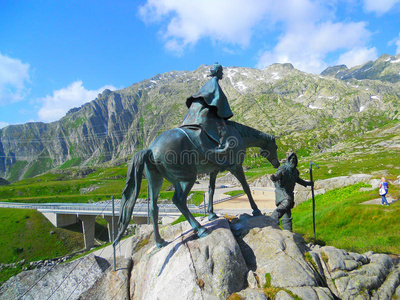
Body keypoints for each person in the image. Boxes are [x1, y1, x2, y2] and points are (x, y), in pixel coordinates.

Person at [181, 63, 233, 148]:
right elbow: (217, 100)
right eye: (221, 71)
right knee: (223, 131)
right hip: (204, 115)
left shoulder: (208, 84)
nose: (222, 74)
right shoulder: (214, 83)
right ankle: (220, 146)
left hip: (195, 114)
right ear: (217, 71)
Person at [270, 152, 313, 231]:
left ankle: (288, 231)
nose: (292, 160)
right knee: (286, 202)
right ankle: (273, 218)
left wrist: (307, 183)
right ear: (288, 160)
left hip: (289, 192)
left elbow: (298, 180)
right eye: (291, 159)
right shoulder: (283, 168)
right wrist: (274, 177)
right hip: (282, 191)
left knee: (287, 211)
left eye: (294, 159)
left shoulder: (295, 171)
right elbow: (278, 175)